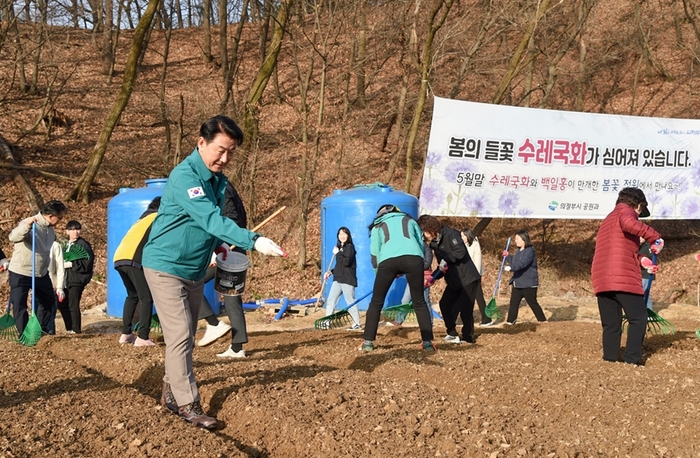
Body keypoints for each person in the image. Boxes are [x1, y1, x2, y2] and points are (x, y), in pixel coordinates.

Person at [142, 115, 286, 429]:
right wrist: (253, 239)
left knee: (186, 336)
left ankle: (170, 391)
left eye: (231, 152)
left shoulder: (217, 180)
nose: (225, 158)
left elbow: (206, 226)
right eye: (220, 150)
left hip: (194, 267)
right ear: (201, 143)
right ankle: (188, 404)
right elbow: (208, 218)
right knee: (180, 335)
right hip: (165, 265)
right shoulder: (185, 177)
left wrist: (219, 245)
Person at [591, 187, 662, 365]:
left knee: (611, 324)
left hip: (602, 279)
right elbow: (629, 223)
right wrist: (655, 238)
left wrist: (643, 261)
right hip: (623, 278)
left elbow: (621, 251)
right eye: (640, 211)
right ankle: (632, 360)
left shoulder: (608, 220)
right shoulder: (626, 213)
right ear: (638, 205)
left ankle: (610, 360)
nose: (638, 214)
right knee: (638, 319)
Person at [360, 205, 435, 352]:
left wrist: (380, 274)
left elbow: (375, 252)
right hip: (414, 259)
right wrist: (415, 264)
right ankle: (427, 342)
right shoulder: (410, 220)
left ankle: (368, 342)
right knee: (419, 301)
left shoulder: (378, 225)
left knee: (376, 302)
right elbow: (420, 244)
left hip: (388, 261)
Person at [198, 180, 253, 359]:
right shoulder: (223, 187)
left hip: (229, 249)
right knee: (232, 299)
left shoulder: (222, 188)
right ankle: (237, 348)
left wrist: (218, 246)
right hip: (234, 249)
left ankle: (213, 323)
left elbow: (230, 219)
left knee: (190, 281)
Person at [8, 200, 67, 336]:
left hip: (40, 272)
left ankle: (37, 329)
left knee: (49, 301)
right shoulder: (30, 223)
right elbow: (13, 237)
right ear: (51, 215)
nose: (61, 220)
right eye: (60, 217)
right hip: (21, 271)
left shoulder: (50, 229)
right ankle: (24, 333)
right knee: (19, 304)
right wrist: (26, 227)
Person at [418, 214, 480, 344]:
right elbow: (443, 266)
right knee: (444, 304)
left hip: (467, 277)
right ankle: (452, 333)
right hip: (453, 280)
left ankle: (468, 337)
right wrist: (434, 277)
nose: (424, 235)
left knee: (466, 308)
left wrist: (446, 259)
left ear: (430, 228)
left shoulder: (451, 234)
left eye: (424, 231)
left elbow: (460, 252)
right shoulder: (434, 244)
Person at [114, 197, 160, 346]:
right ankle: (142, 337)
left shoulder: (141, 219)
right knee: (146, 298)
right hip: (134, 259)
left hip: (119, 258)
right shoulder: (157, 217)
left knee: (132, 296)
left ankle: (126, 334)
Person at [501, 230, 548, 325]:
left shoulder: (530, 251)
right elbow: (515, 261)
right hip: (517, 282)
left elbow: (522, 264)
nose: (516, 241)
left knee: (533, 303)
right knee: (513, 304)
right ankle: (510, 322)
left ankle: (543, 321)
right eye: (515, 239)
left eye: (518, 239)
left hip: (528, 284)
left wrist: (511, 268)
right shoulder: (519, 251)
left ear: (524, 239)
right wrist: (508, 256)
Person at [324, 227, 361, 331]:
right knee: (331, 300)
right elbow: (339, 266)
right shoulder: (340, 248)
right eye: (340, 234)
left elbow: (346, 262)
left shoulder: (350, 248)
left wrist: (337, 253)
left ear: (348, 235)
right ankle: (326, 322)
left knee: (350, 301)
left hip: (347, 280)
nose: (342, 236)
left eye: (344, 234)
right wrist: (330, 272)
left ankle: (357, 323)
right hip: (338, 279)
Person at [388, 241, 433, 327]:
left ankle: (429, 322)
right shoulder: (408, 247)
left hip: (423, 277)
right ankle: (398, 321)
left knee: (425, 301)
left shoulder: (424, 246)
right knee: (405, 300)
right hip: (412, 277)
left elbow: (428, 262)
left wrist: (415, 268)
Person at [63, 220, 94, 334]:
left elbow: (87, 264)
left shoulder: (83, 244)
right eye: (72, 229)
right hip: (67, 278)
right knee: (64, 304)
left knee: (73, 303)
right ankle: (69, 327)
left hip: (77, 279)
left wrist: (71, 264)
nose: (75, 232)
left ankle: (76, 329)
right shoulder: (67, 245)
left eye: (77, 229)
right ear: (67, 231)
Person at [461, 228, 492, 326]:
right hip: (465, 276)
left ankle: (486, 319)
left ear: (468, 235)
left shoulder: (475, 244)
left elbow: (477, 260)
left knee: (479, 297)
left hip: (474, 275)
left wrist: (476, 275)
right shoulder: (462, 245)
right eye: (461, 236)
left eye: (463, 236)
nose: (462, 238)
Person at [48, 241, 67, 334]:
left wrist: (60, 287)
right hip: (36, 285)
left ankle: (50, 335)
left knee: (50, 313)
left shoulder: (55, 246)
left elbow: (60, 268)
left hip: (51, 285)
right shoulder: (34, 243)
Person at [638, 237, 655, 310]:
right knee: (641, 294)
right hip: (640, 274)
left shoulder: (648, 247)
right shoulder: (639, 247)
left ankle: (649, 310)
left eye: (641, 237)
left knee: (645, 293)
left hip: (646, 274)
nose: (640, 239)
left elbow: (650, 259)